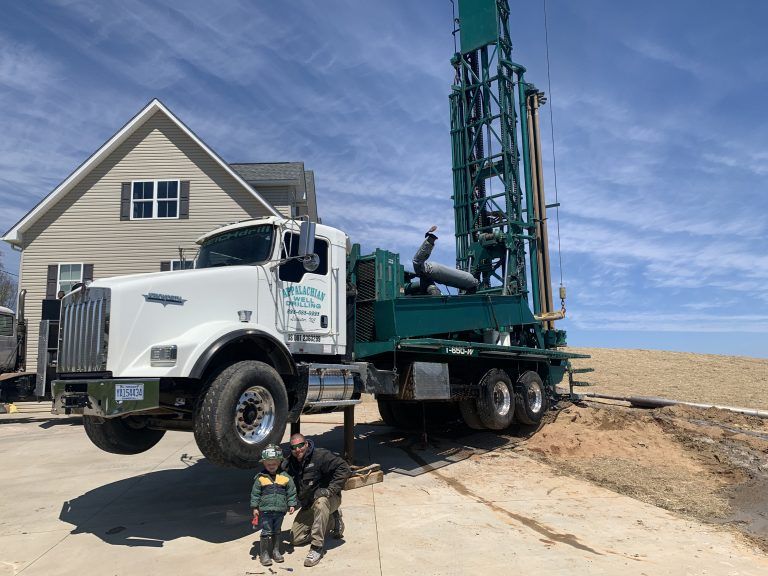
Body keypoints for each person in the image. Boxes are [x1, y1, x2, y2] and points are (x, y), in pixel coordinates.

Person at [283, 433, 351, 567]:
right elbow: (277, 472)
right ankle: (333, 519)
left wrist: (330, 490)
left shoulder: (320, 456)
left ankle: (316, 548)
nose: (298, 450)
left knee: (321, 503)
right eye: (294, 447)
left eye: (301, 445)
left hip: (329, 499)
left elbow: (344, 468)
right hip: (309, 504)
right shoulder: (291, 462)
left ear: (306, 444)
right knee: (295, 539)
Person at [250, 444, 297, 566]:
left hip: (280, 511)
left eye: (274, 463)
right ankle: (264, 554)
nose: (271, 466)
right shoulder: (260, 478)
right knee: (266, 531)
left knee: (277, 531)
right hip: (265, 511)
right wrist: (255, 507)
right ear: (264, 464)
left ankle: (276, 551)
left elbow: (291, 492)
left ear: (279, 462)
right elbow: (255, 494)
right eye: (268, 464)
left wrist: (292, 504)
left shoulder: (285, 478)